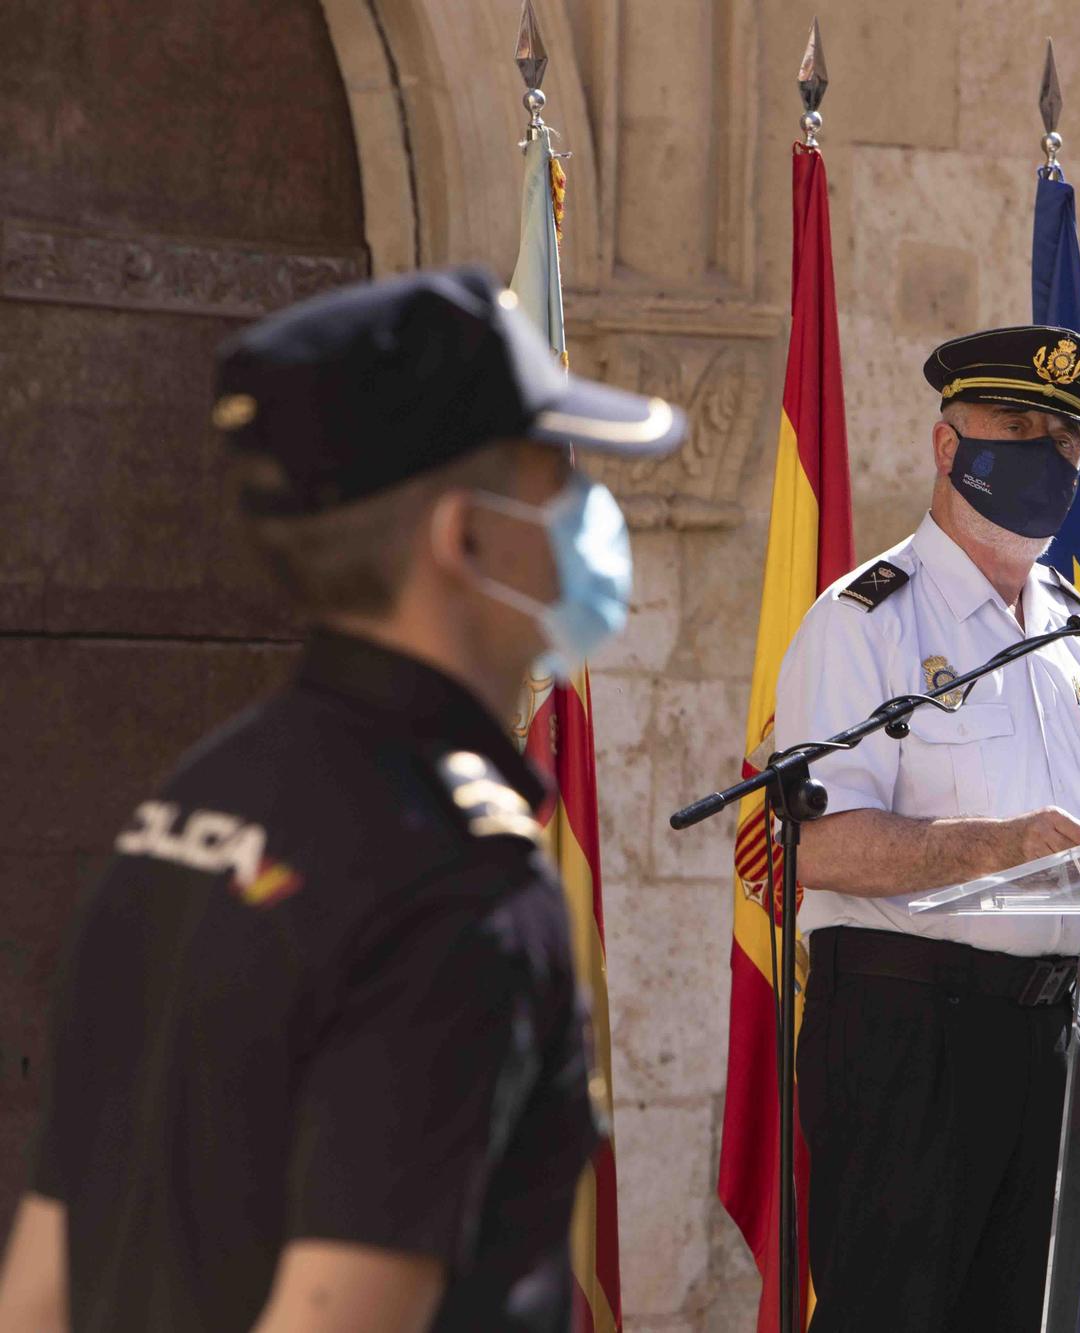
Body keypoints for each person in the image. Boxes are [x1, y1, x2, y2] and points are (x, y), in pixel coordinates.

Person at [0, 266, 685, 1332]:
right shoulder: (462, 889)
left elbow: (42, 1283)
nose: (589, 513)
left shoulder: (187, 804)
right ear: (463, 538)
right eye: (556, 476)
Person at [775, 326, 1080, 1332]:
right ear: (948, 446)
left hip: (1050, 1032)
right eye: (1019, 426)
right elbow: (811, 845)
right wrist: (990, 846)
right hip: (911, 1028)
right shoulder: (866, 618)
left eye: (1068, 440)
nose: (1048, 455)